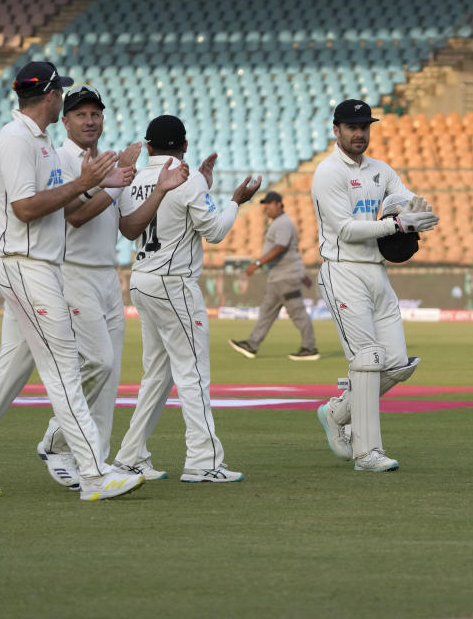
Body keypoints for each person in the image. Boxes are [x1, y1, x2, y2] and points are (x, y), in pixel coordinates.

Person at [0, 61, 151, 501]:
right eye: (61, 95)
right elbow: (25, 209)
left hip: (37, 265)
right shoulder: (16, 140)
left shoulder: (40, 140)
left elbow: (59, 199)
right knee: (66, 368)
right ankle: (92, 475)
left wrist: (98, 181)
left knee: (8, 374)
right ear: (50, 97)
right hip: (28, 264)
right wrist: (88, 182)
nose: (64, 101)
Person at [112, 115, 261, 483]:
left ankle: (130, 456)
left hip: (142, 278)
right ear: (185, 146)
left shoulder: (135, 178)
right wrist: (235, 200)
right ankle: (202, 461)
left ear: (147, 147)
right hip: (173, 282)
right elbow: (215, 231)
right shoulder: (187, 177)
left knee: (158, 375)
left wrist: (204, 188)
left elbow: (166, 215)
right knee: (193, 372)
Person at [34, 84, 155, 488]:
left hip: (107, 274)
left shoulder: (107, 163)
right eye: (81, 114)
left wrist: (160, 192)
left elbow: (127, 225)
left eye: (95, 114)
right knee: (98, 362)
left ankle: (97, 466)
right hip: (73, 273)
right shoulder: (62, 159)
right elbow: (75, 216)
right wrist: (115, 182)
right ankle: (57, 435)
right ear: (65, 121)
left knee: (110, 375)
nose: (90, 120)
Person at [311, 99, 439, 472]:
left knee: (397, 363)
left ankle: (337, 413)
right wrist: (397, 226)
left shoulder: (380, 170)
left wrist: (413, 207)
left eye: (365, 127)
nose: (359, 134)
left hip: (376, 273)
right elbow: (347, 230)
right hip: (342, 270)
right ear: (336, 130)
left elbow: (401, 198)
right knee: (367, 360)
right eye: (352, 127)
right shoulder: (328, 172)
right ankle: (367, 454)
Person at [228, 191, 319, 361]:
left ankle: (310, 347)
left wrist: (257, 264)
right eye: (264, 206)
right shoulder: (280, 222)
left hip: (285, 277)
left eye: (268, 205)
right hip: (278, 277)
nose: (266, 209)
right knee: (266, 312)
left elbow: (280, 247)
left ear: (278, 203)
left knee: (297, 312)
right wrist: (303, 275)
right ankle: (252, 344)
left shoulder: (282, 223)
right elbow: (290, 250)